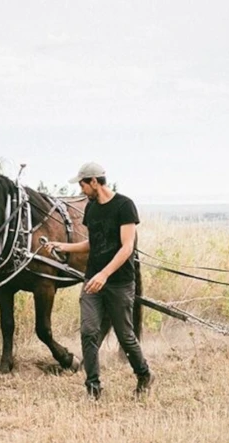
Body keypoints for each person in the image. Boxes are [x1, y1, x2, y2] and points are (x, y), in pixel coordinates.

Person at [47, 162, 151, 400]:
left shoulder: (124, 206)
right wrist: (64, 246)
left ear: (94, 181)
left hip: (119, 283)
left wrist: (105, 274)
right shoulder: (91, 208)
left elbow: (127, 248)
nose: (81, 190)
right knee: (88, 332)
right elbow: (93, 243)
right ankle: (93, 387)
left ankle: (144, 374)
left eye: (82, 185)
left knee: (125, 336)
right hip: (93, 282)